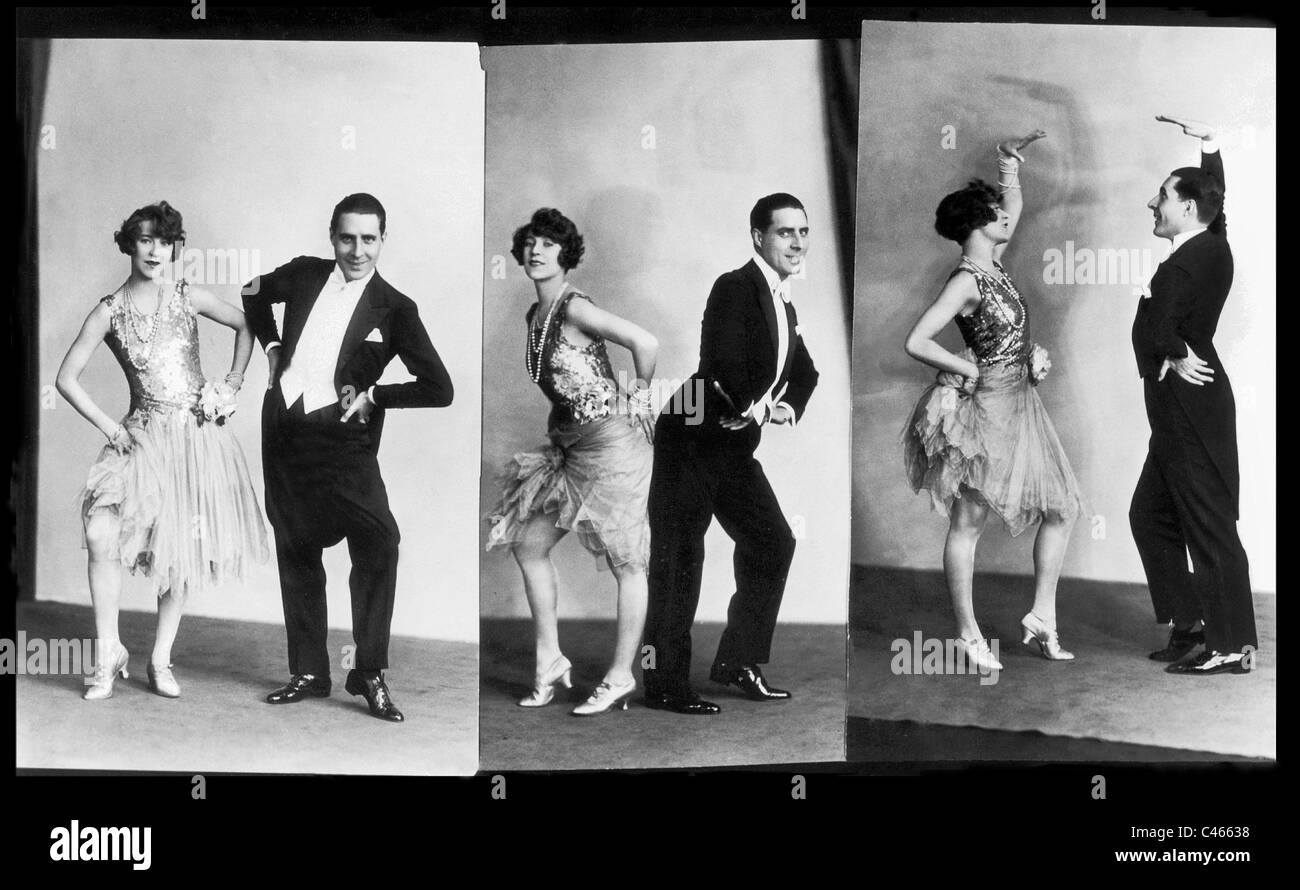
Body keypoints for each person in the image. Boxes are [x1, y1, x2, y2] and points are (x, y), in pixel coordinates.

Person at [242, 193, 454, 722]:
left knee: (380, 540)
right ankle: (309, 672)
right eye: (346, 238)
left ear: (383, 239)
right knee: (296, 549)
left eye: (368, 239)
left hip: (343, 443)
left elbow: (439, 386)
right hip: (286, 433)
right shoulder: (305, 274)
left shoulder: (396, 307)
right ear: (331, 236)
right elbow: (250, 292)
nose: (356, 250)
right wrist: (270, 348)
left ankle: (369, 671)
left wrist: (376, 396)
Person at [56, 200, 269, 701]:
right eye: (146, 239)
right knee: (100, 531)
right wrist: (112, 428)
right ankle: (108, 651)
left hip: (196, 438)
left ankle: (160, 659)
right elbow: (66, 379)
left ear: (176, 246)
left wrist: (230, 385)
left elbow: (246, 326)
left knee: (179, 548)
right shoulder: (109, 310)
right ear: (129, 243)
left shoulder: (186, 295)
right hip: (142, 435)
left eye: (165, 241)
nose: (156, 250)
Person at [902, 131, 1084, 672]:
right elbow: (917, 341)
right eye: (994, 212)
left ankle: (1042, 617)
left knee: (1062, 508)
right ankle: (967, 632)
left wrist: (1009, 164)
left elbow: (1015, 204)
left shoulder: (996, 261)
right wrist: (968, 369)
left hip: (1020, 403)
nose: (1005, 216)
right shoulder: (966, 279)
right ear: (978, 225)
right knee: (969, 521)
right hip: (986, 413)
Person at [642, 193, 819, 715]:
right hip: (692, 436)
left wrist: (782, 408)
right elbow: (723, 368)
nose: (796, 242)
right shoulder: (734, 287)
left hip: (731, 445)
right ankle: (665, 683)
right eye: (785, 232)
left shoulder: (784, 302)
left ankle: (737, 660)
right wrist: (762, 409)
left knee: (772, 542)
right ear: (758, 237)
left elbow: (805, 373)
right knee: (679, 562)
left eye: (803, 232)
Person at [486, 208, 659, 717]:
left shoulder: (575, 308)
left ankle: (621, 676)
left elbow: (644, 342)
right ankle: (549, 662)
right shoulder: (534, 315)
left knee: (628, 563)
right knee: (529, 545)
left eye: (548, 244)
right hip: (569, 450)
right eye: (530, 243)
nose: (536, 251)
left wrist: (642, 395)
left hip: (613, 448)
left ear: (566, 255)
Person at [1130, 115, 1257, 676]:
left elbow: (1161, 329)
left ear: (1184, 208)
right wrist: (1210, 147)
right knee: (1150, 515)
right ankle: (1192, 626)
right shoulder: (1210, 240)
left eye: (1161, 197)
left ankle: (1230, 645)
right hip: (1181, 414)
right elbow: (1217, 204)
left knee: (1207, 522)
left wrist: (1175, 351)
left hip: (1189, 413)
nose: (1151, 205)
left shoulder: (1186, 261)